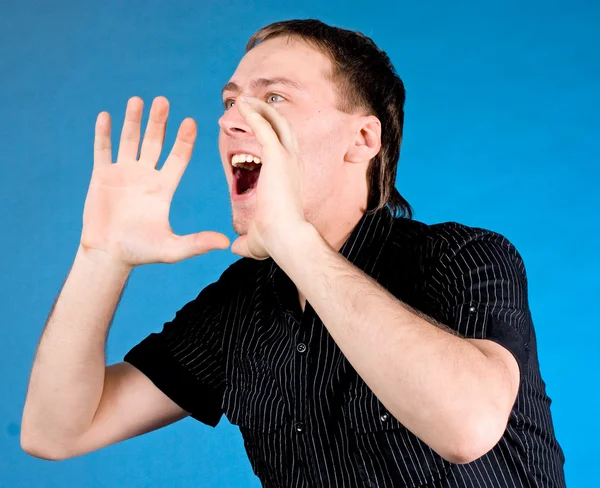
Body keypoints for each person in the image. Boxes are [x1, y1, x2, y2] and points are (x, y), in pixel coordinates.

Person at [21, 19, 566, 487]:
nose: (233, 119)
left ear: (363, 139)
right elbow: (58, 431)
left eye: (274, 98)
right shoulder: (239, 306)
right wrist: (101, 257)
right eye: (232, 101)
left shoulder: (462, 257)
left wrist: (292, 238)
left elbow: (466, 427)